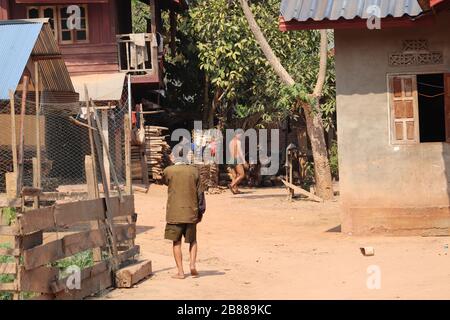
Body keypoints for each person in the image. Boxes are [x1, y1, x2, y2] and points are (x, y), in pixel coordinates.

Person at [163, 152, 206, 279]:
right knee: (193, 240)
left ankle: (181, 272)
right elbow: (200, 194)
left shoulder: (168, 171)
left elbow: (165, 182)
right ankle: (192, 265)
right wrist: (201, 211)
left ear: (173, 157)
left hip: (174, 213)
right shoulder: (194, 171)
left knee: (176, 242)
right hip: (191, 212)